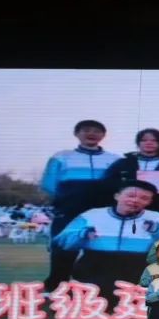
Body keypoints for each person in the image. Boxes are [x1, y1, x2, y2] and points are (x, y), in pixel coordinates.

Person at [51, 180, 159, 304]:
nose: (135, 200)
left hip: (136, 270)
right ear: (117, 196)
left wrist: (157, 231)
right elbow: (61, 242)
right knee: (92, 305)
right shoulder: (91, 215)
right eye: (131, 195)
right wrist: (81, 234)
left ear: (149, 202)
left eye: (144, 198)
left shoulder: (157, 218)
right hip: (94, 269)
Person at [41, 120, 121, 291]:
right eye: (86, 130)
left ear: (103, 135)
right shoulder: (61, 157)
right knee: (63, 252)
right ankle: (56, 290)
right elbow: (48, 184)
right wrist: (67, 201)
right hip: (69, 213)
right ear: (77, 134)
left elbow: (120, 185)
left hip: (102, 214)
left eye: (96, 131)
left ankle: (101, 291)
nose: (91, 134)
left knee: (102, 253)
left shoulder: (115, 159)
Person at [104, 128, 159, 221]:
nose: (149, 143)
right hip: (130, 206)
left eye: (154, 140)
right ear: (138, 143)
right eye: (144, 140)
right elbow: (107, 184)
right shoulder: (124, 162)